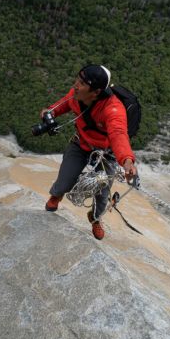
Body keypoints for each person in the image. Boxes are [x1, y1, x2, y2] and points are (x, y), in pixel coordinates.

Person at [41, 64, 138, 240]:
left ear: (95, 92)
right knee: (65, 180)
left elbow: (118, 135)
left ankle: (95, 218)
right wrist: (50, 113)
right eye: (77, 79)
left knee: (102, 194)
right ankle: (56, 195)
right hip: (81, 143)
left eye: (82, 83)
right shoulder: (76, 95)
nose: (75, 85)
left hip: (105, 153)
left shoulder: (113, 110)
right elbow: (63, 104)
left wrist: (126, 161)